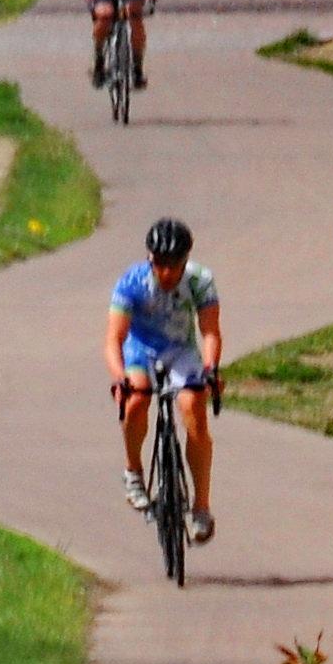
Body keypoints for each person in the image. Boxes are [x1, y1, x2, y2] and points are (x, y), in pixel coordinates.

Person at [107, 215, 221, 543]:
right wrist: (119, 378)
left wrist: (211, 368)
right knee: (137, 398)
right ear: (150, 259)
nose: (167, 272)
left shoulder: (200, 280)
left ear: (186, 261)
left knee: (194, 410)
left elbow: (210, 331)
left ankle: (201, 506)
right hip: (139, 350)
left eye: (175, 265)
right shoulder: (132, 282)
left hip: (180, 351)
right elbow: (113, 338)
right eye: (160, 264)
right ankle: (134, 472)